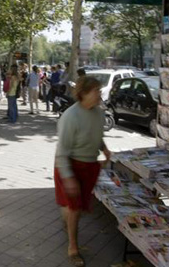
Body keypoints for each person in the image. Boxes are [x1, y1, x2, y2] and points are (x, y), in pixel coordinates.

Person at [54, 76, 111, 267]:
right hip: (70, 165)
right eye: (96, 91)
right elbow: (62, 152)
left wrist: (104, 148)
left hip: (89, 166)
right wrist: (68, 177)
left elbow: (97, 134)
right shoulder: (70, 116)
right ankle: (73, 248)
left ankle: (67, 215)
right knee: (75, 209)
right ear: (84, 93)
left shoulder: (99, 113)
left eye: (99, 90)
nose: (99, 94)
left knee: (75, 208)